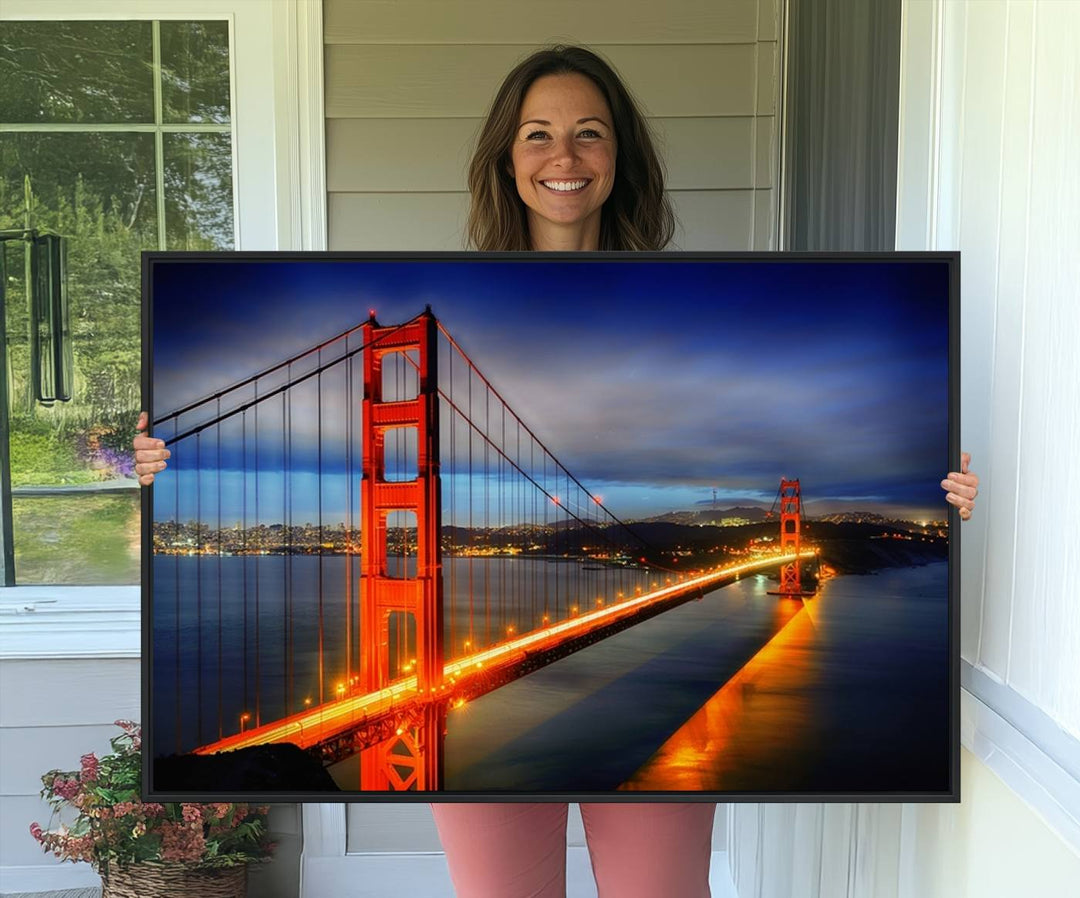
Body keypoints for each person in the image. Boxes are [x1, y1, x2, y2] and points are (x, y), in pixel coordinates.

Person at [134, 44, 980, 898]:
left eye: (589, 134)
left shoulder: (682, 297)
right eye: (537, 134)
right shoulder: (455, 284)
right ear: (507, 158)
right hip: (433, 717)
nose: (563, 157)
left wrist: (945, 505)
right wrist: (154, 463)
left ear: (621, 159)